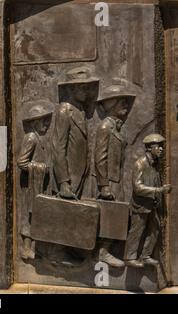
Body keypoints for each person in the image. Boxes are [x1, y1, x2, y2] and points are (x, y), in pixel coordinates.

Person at [94, 82, 136, 267]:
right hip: (108, 180)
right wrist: (104, 185)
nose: (126, 107)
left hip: (116, 179)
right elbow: (99, 158)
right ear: (112, 105)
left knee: (116, 214)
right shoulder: (105, 127)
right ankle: (103, 252)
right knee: (109, 215)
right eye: (122, 103)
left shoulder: (117, 127)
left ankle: (106, 250)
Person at [124, 134, 172, 268]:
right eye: (159, 147)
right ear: (150, 148)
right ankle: (129, 257)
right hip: (140, 205)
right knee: (137, 231)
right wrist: (158, 190)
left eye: (162, 147)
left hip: (152, 205)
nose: (161, 149)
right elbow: (137, 187)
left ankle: (145, 255)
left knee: (155, 229)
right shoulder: (140, 164)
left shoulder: (155, 164)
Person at [52, 66, 99, 199]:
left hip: (80, 172)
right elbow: (58, 148)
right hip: (70, 177)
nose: (87, 91)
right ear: (72, 89)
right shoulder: (64, 111)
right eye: (82, 88)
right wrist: (63, 182)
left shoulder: (80, 109)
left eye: (87, 87)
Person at [17, 100, 53, 260]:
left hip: (40, 184)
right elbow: (22, 162)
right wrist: (39, 168)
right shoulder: (31, 137)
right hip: (31, 184)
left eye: (47, 120)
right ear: (35, 122)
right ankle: (26, 248)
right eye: (43, 120)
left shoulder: (41, 137)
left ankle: (37, 247)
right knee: (29, 214)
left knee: (38, 214)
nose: (47, 124)